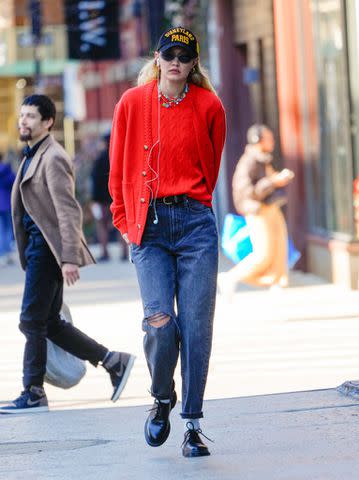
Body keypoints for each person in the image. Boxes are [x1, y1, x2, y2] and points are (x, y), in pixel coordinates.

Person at [109, 27, 226, 457]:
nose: (176, 60)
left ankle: (192, 424)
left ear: (194, 63)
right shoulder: (131, 104)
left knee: (196, 328)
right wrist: (124, 222)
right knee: (160, 322)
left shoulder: (209, 105)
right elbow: (118, 167)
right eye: (168, 53)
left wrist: (191, 200)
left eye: (185, 54)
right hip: (149, 226)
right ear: (157, 58)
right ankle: (162, 397)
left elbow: (209, 169)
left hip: (195, 224)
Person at [0, 95, 135, 414]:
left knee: (31, 320)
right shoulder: (32, 155)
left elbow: (68, 210)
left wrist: (69, 257)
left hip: (47, 250)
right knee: (48, 322)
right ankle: (113, 361)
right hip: (38, 249)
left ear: (48, 122)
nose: (24, 122)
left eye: (31, 117)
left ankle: (33, 391)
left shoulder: (54, 157)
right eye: (22, 116)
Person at [218, 124, 294, 296]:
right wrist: (274, 181)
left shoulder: (262, 159)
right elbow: (248, 192)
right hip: (258, 211)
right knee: (263, 253)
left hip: (270, 208)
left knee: (279, 249)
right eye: (269, 138)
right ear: (258, 140)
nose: (272, 141)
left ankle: (277, 284)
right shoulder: (249, 161)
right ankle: (230, 278)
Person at [91, 133, 128, 262]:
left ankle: (105, 252)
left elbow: (95, 180)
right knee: (121, 225)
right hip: (118, 198)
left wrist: (94, 200)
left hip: (102, 200)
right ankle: (124, 252)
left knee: (101, 225)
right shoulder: (121, 158)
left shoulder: (100, 159)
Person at [0, 153, 15, 266]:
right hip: (6, 204)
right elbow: (14, 182)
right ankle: (7, 253)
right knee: (8, 229)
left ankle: (2, 254)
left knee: (1, 230)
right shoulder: (7, 170)